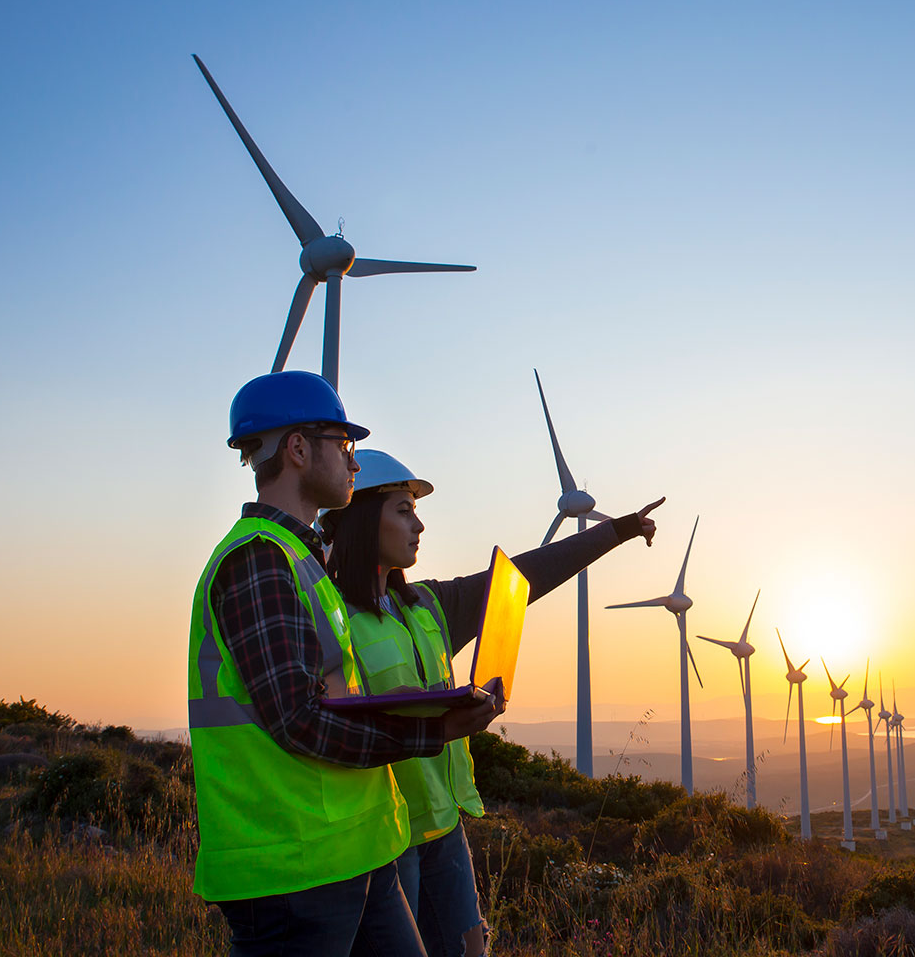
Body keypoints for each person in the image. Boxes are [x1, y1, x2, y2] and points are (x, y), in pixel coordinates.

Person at [187, 371, 501, 957]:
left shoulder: (304, 564)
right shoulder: (259, 560)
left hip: (358, 849)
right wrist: (432, 731)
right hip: (293, 870)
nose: (355, 465)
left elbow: (336, 698)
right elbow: (299, 720)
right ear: (299, 450)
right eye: (345, 446)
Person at [321, 449, 662, 957]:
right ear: (363, 519)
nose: (419, 525)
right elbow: (330, 724)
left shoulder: (429, 606)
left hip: (445, 829)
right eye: (403, 510)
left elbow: (523, 579)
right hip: (384, 839)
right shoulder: (330, 616)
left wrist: (616, 530)